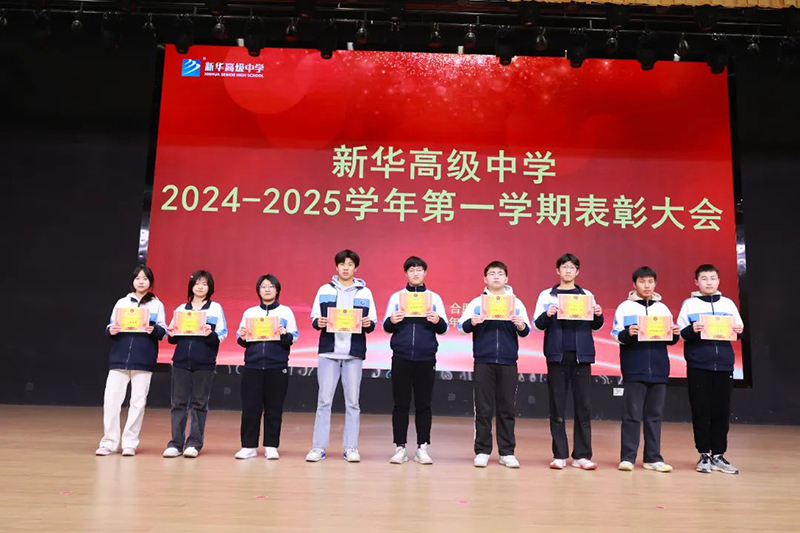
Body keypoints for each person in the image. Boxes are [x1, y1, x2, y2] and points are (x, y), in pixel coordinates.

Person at [533, 253, 604, 470]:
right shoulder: (547, 295)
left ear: (577, 272)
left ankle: (582, 455)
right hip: (557, 356)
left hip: (582, 356)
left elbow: (596, 325)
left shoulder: (586, 295)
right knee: (557, 405)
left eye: (572, 267)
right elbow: (537, 325)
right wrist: (547, 314)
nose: (568, 271)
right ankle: (560, 455)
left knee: (583, 406)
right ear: (558, 271)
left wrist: (598, 314)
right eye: (564, 267)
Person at [306, 250, 377, 463]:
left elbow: (372, 321)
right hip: (328, 352)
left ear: (356, 268)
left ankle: (351, 447)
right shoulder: (324, 290)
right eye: (342, 264)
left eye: (350, 264)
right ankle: (318, 447)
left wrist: (368, 323)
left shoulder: (365, 292)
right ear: (336, 267)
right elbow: (314, 317)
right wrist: (318, 322)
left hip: (353, 353)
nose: (345, 268)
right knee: (324, 401)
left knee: (353, 403)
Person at [458, 261, 531, 468]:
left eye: (500, 274)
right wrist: (473, 321)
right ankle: (482, 451)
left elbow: (526, 331)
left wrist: (520, 324)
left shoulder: (516, 303)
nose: (496, 277)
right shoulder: (477, 302)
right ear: (485, 279)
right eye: (492, 274)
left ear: (506, 278)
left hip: (508, 361)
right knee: (483, 408)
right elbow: (462, 328)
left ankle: (507, 452)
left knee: (507, 408)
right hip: (483, 360)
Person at [611, 266, 680, 473]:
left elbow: (671, 339)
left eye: (650, 282)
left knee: (654, 416)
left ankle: (653, 458)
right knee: (631, 416)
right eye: (642, 282)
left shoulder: (663, 309)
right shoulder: (624, 307)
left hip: (659, 369)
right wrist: (628, 333)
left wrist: (675, 333)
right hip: (634, 368)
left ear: (655, 284)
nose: (647, 286)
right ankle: (628, 458)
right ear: (634, 284)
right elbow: (616, 334)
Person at [677, 264, 744, 474]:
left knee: (721, 412)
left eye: (712, 278)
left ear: (718, 281)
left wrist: (738, 330)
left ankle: (719, 455)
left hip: (724, 365)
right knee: (700, 410)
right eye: (704, 279)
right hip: (698, 365)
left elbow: (739, 330)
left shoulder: (728, 304)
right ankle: (704, 454)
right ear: (696, 282)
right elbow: (680, 333)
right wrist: (692, 329)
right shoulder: (689, 304)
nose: (709, 282)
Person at [382, 256, 448, 465]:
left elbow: (444, 328)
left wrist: (437, 320)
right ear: (406, 273)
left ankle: (422, 448)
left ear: (425, 273)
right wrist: (392, 320)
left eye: (419, 270)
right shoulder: (397, 297)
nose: (416, 273)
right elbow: (386, 326)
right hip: (401, 356)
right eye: (412, 270)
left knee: (424, 404)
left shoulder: (434, 298)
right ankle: (400, 447)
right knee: (400, 404)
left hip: (426, 357)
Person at [95, 265, 166, 457]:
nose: (141, 282)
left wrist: (154, 329)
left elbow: (163, 331)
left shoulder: (157, 305)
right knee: (111, 402)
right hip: (119, 359)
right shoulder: (122, 302)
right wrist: (111, 330)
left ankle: (130, 443)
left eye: (145, 278)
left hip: (143, 360)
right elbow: (111, 326)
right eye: (138, 278)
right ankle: (109, 442)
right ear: (133, 281)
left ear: (150, 282)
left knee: (137, 403)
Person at [163, 270, 227, 459]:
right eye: (197, 283)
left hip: (204, 362)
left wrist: (210, 333)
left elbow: (222, 334)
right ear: (191, 286)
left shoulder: (215, 308)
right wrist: (171, 333)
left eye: (204, 284)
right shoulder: (181, 309)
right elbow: (172, 338)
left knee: (199, 403)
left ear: (210, 287)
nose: (200, 287)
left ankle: (194, 444)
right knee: (178, 403)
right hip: (181, 361)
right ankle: (176, 444)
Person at [233, 274, 298, 460]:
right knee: (250, 408)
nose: (267, 289)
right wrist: (243, 336)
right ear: (258, 290)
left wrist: (284, 334)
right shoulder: (250, 313)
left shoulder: (286, 312)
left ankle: (271, 446)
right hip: (252, 366)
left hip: (277, 366)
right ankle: (248, 446)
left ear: (277, 290)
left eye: (271, 286)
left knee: (274, 408)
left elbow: (294, 337)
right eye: (263, 286)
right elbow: (240, 338)